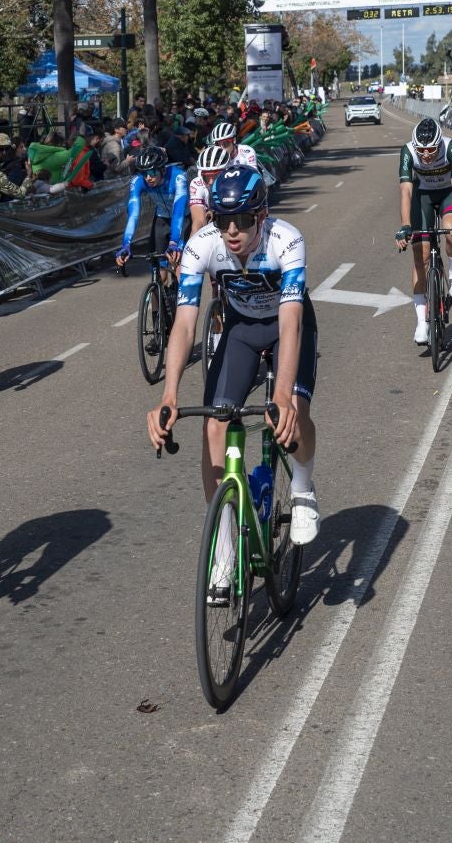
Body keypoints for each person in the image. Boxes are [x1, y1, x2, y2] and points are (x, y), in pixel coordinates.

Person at [146, 163, 321, 606]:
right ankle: (223, 545)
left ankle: (302, 488)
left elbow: (292, 319)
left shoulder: (288, 240)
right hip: (241, 330)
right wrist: (168, 396)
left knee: (293, 414)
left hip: (286, 328)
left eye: (242, 220)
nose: (232, 231)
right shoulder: (201, 245)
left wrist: (283, 393)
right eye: (224, 221)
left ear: (261, 216)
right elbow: (184, 326)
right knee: (214, 428)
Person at [394, 117, 452, 346]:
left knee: (451, 232)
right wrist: (405, 226)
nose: (426, 155)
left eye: (431, 149)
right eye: (422, 150)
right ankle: (421, 322)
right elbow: (406, 191)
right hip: (422, 196)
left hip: (446, 193)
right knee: (421, 255)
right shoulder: (407, 152)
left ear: (439, 144)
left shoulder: (451, 147)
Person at [117, 147, 191, 287]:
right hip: (161, 220)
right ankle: (157, 309)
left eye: (152, 172)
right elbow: (133, 214)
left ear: (162, 169)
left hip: (183, 220)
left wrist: (174, 242)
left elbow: (178, 211)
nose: (148, 177)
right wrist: (126, 244)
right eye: (144, 173)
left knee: (180, 271)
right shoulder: (138, 181)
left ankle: (183, 302)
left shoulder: (178, 177)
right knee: (158, 277)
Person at [190, 143, 233, 235]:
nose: (210, 182)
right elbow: (199, 221)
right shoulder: (197, 183)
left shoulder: (236, 182)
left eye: (216, 176)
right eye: (206, 177)